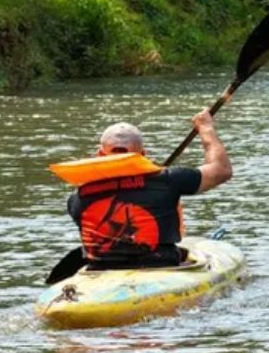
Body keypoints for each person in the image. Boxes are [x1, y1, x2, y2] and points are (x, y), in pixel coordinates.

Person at [64, 111, 232, 269]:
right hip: (160, 267)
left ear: (99, 155)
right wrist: (206, 128)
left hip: (100, 271)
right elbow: (221, 170)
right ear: (142, 154)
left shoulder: (78, 198)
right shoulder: (167, 180)